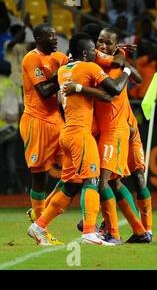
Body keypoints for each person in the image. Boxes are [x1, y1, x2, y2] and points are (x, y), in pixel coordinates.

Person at [27, 33, 130, 246]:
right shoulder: (89, 68)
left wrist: (82, 88)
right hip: (81, 134)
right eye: (93, 49)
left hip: (67, 133)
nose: (97, 53)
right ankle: (89, 232)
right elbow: (113, 91)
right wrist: (127, 69)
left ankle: (38, 226)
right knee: (92, 180)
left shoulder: (64, 70)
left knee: (71, 186)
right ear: (85, 53)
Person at [92, 28, 151, 243]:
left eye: (108, 43)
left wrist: (122, 61)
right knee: (115, 184)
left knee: (122, 180)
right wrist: (118, 55)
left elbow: (117, 89)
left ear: (115, 46)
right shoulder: (101, 62)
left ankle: (119, 231)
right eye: (100, 41)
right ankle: (137, 231)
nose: (103, 46)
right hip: (109, 131)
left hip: (119, 130)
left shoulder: (116, 64)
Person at [20, 23, 69, 245]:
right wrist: (61, 74)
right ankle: (41, 231)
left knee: (74, 172)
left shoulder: (60, 57)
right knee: (39, 178)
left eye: (55, 35)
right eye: (49, 35)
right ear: (38, 38)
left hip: (57, 122)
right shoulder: (32, 59)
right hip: (36, 122)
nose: (54, 39)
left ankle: (37, 215)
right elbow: (44, 90)